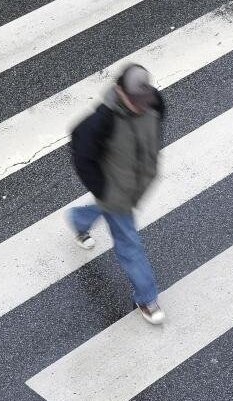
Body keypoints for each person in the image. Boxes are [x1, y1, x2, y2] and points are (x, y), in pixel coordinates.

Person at [68, 63, 166, 325]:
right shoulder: (102, 119)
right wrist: (102, 189)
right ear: (120, 92)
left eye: (143, 98)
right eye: (135, 100)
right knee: (129, 244)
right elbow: (81, 151)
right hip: (116, 190)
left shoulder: (153, 102)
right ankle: (147, 298)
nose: (141, 105)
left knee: (104, 209)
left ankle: (78, 220)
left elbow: (157, 123)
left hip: (137, 183)